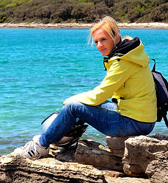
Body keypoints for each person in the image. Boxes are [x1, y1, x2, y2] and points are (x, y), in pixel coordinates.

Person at [11, 16, 157, 159]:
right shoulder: (130, 54)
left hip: (134, 122)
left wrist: (71, 101)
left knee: (72, 107)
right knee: (84, 105)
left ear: (116, 38)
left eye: (103, 39)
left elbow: (99, 95)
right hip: (141, 118)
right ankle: (58, 137)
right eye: (97, 41)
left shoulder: (122, 61)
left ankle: (41, 146)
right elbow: (102, 95)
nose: (99, 45)